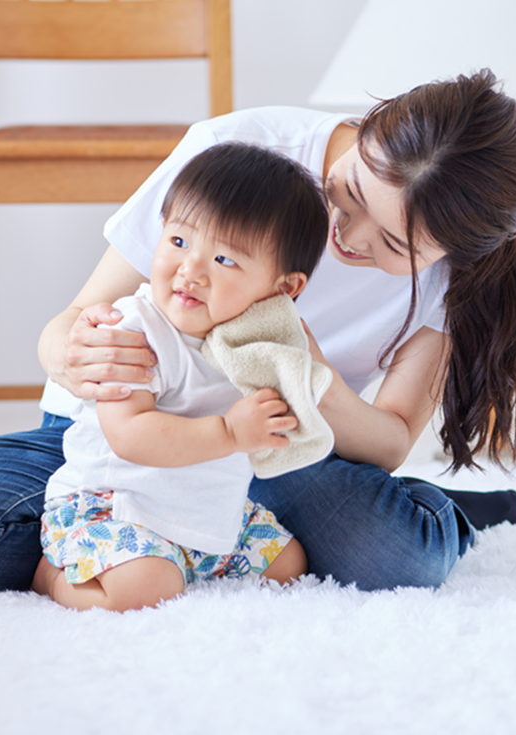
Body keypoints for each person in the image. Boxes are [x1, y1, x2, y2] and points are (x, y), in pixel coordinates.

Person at [0, 68, 516, 594]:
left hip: (269, 457)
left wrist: (309, 376)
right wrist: (73, 354)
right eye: (351, 191)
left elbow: (389, 439)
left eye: (392, 243)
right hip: (121, 443)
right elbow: (73, 320)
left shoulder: (456, 280)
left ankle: (438, 513)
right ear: (367, 128)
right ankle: (174, 543)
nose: (347, 236)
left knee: (401, 556)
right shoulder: (244, 148)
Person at [32, 142, 321, 611]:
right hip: (117, 507)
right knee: (147, 590)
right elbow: (130, 434)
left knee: (290, 566)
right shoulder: (134, 329)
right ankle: (56, 577)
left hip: (208, 510)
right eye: (179, 242)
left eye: (225, 260)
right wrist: (231, 432)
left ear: (283, 288)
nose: (190, 271)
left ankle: (187, 559)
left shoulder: (258, 344)